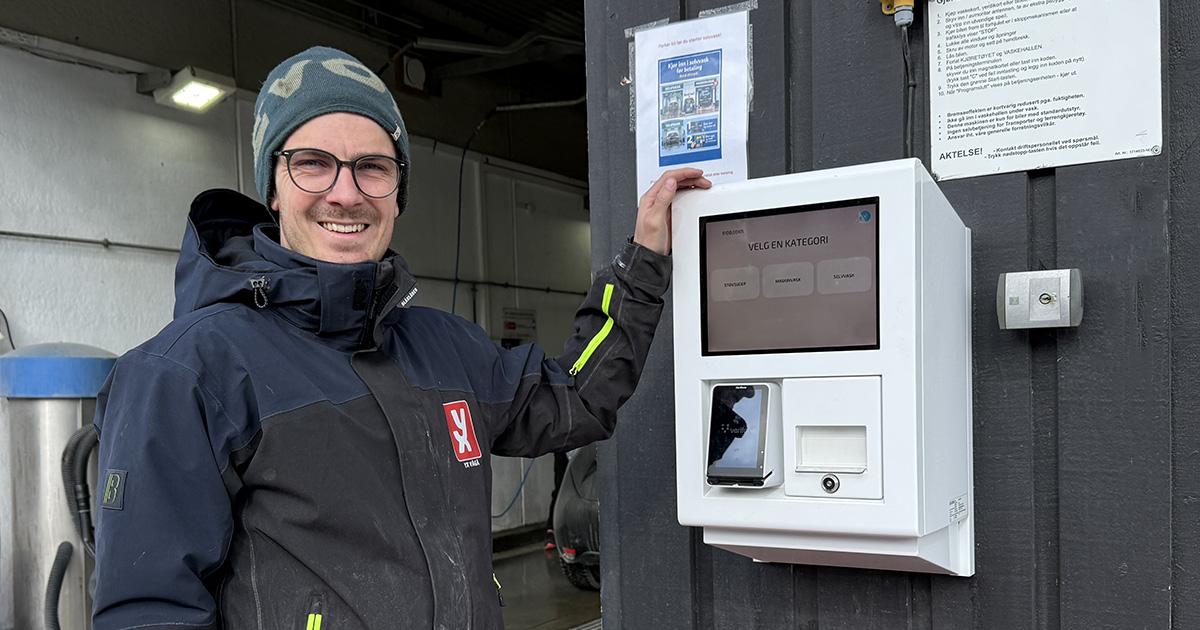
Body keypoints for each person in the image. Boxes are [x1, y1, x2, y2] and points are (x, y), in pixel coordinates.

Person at [91, 46, 710, 630]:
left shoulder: (444, 346)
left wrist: (644, 261)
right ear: (273, 190)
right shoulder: (187, 372)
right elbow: (152, 609)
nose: (346, 192)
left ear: (397, 191)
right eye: (312, 164)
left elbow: (576, 396)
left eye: (372, 168)